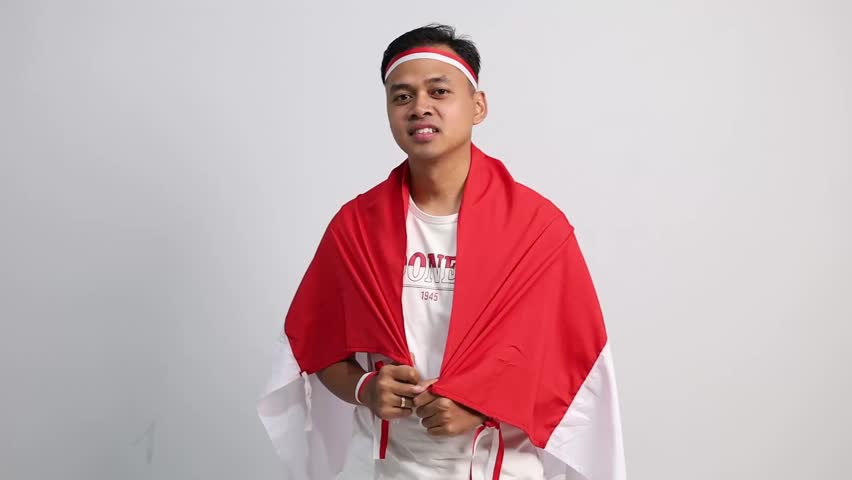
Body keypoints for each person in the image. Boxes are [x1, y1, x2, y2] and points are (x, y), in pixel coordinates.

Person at [257, 24, 625, 480]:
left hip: (502, 468)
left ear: (478, 106)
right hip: (386, 468)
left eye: (439, 91)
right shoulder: (357, 226)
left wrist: (484, 405)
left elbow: (571, 366)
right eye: (402, 96)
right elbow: (316, 345)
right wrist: (366, 388)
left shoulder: (537, 228)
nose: (420, 107)